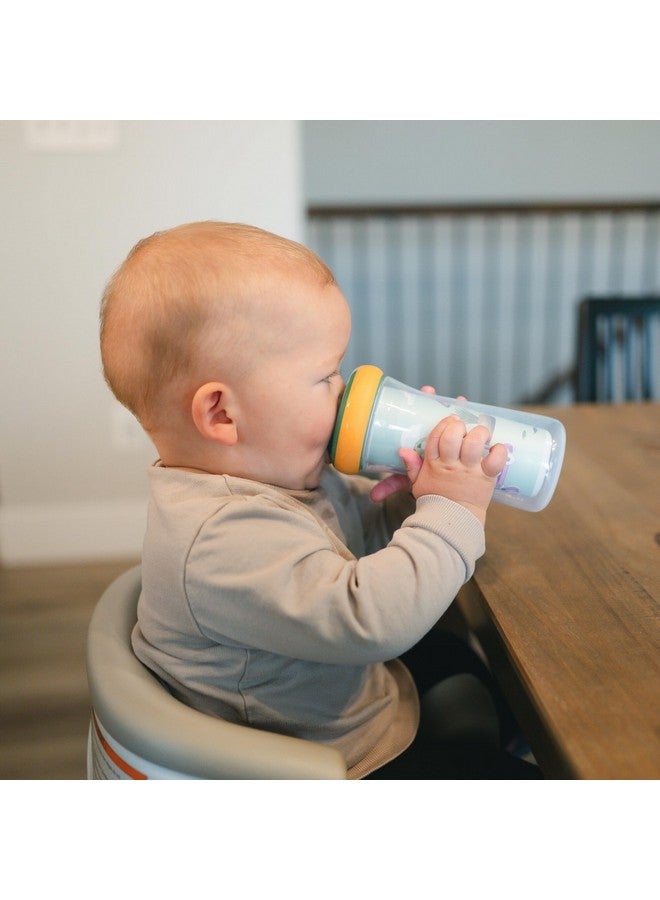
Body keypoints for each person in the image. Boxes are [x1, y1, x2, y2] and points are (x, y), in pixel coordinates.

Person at [99, 220, 540, 779]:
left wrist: (416, 498)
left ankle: (491, 729)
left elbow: (360, 544)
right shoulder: (222, 537)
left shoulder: (281, 476)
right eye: (326, 375)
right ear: (222, 414)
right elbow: (372, 617)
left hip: (352, 694)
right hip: (333, 762)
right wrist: (454, 508)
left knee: (459, 655)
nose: (347, 386)